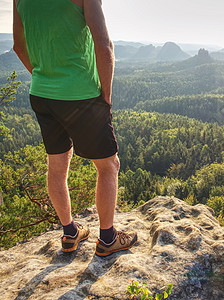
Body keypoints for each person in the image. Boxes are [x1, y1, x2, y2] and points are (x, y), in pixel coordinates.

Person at [13, 0, 137, 257]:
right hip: (82, 95)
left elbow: (18, 46)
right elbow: (104, 47)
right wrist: (106, 96)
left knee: (57, 165)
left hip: (41, 94)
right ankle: (108, 238)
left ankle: (70, 233)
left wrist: (43, 76)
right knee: (108, 166)